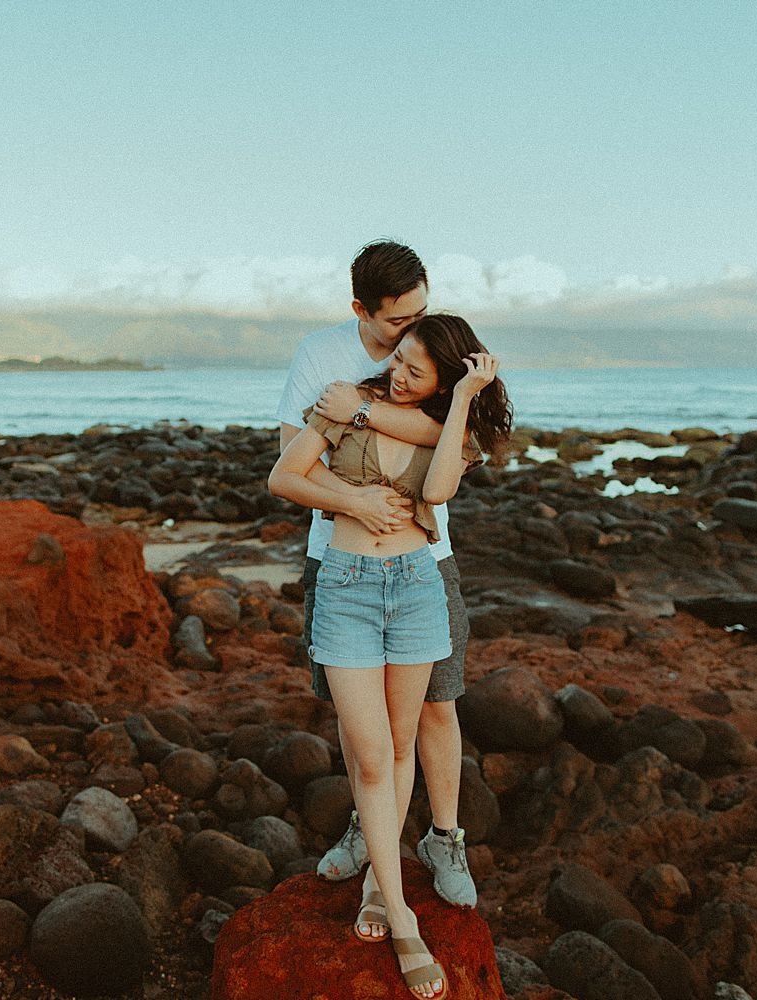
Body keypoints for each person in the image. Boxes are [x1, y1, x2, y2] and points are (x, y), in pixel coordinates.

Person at [270, 314, 512, 1000]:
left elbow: (436, 491)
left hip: (415, 588)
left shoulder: (451, 430)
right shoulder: (344, 396)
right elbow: (285, 475)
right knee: (371, 751)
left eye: (415, 369)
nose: (398, 370)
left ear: (445, 379)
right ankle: (402, 916)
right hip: (345, 586)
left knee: (403, 742)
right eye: (398, 357)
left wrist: (464, 396)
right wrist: (352, 500)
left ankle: (383, 882)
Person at [275, 242, 479, 915]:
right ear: (362, 309)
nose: (408, 337)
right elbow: (289, 462)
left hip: (426, 561)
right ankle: (372, 826)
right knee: (359, 720)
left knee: (437, 704)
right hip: (339, 560)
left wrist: (359, 411)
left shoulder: (430, 349)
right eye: (397, 323)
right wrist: (356, 500)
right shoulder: (319, 356)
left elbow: (452, 431)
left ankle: (443, 837)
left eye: (422, 312)